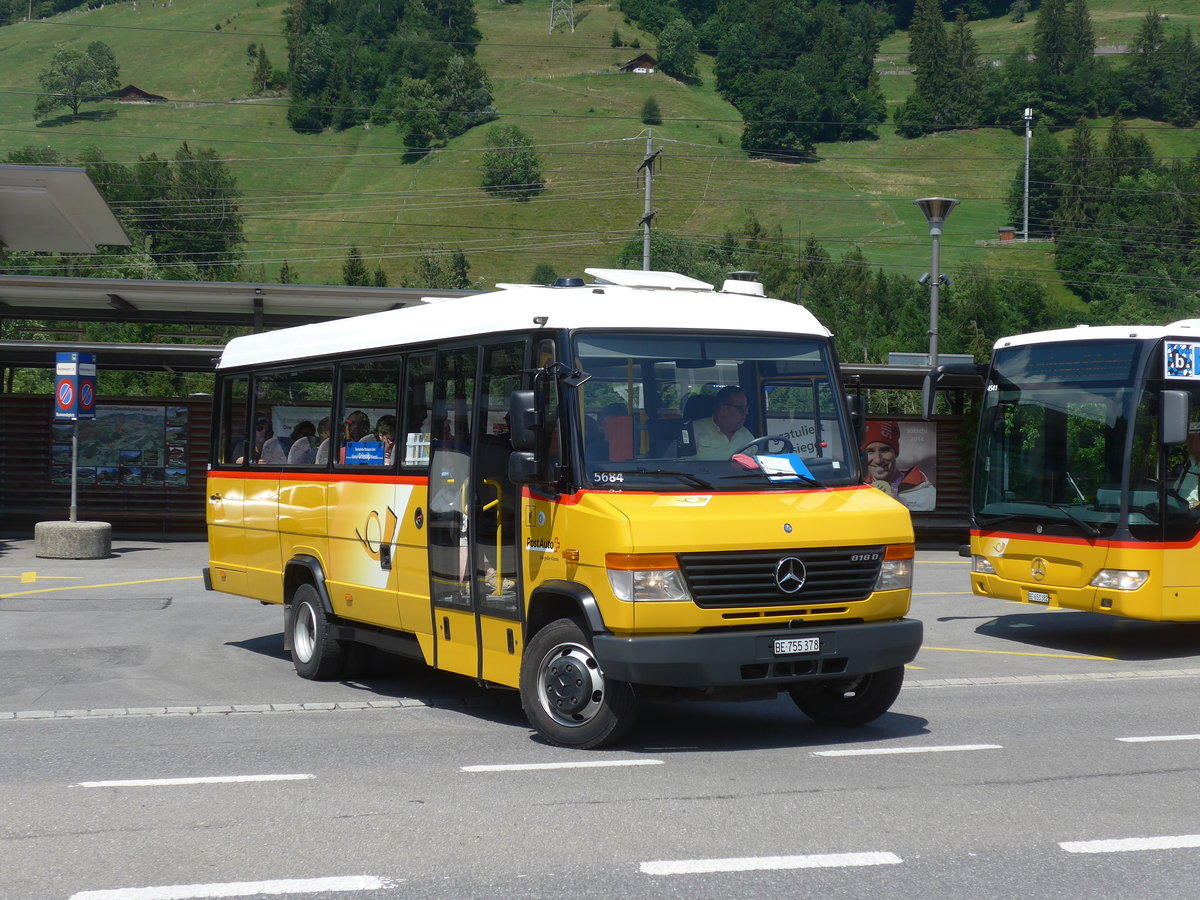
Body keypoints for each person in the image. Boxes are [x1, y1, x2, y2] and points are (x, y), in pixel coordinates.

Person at [862, 420, 936, 511]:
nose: (878, 460)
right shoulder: (855, 490)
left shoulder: (926, 493)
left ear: (896, 453)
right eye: (870, 451)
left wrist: (902, 506)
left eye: (884, 450)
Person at [693, 385, 755, 460]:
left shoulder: (747, 436)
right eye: (742, 409)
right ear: (723, 409)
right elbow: (684, 466)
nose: (746, 413)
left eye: (747, 408)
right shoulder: (695, 431)